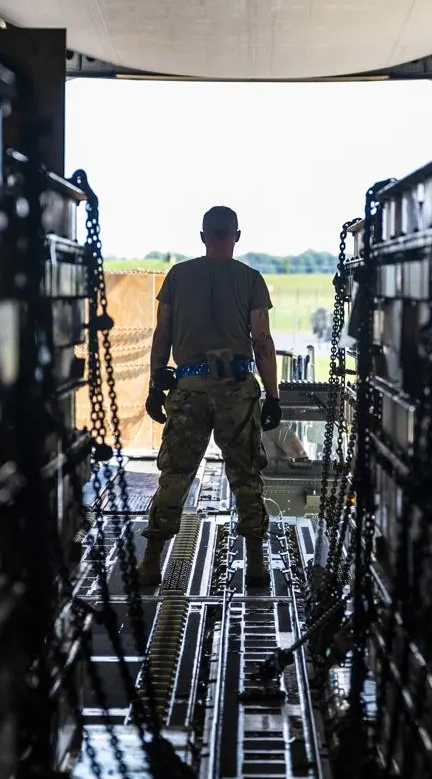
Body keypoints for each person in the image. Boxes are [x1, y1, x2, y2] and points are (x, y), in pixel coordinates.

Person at [136, 206, 281, 589]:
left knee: (176, 475)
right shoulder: (251, 279)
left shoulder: (179, 277)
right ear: (236, 236)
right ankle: (256, 565)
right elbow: (262, 341)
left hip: (189, 390)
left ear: (202, 236)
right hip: (237, 390)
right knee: (247, 477)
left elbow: (162, 332)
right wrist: (274, 395)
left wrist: (155, 385)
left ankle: (151, 564)